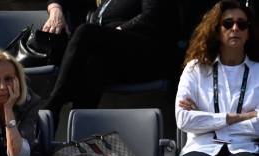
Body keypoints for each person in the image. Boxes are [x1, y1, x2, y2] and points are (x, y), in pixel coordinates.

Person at [175, 0, 259, 156]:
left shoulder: (258, 71)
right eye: (228, 23)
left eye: (242, 24)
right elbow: (184, 119)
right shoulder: (195, 69)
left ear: (249, 32)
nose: (235, 28)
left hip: (243, 147)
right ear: (217, 29)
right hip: (201, 146)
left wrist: (205, 119)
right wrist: (243, 116)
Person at [42, 0, 176, 122]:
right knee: (94, 64)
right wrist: (56, 9)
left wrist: (117, 31)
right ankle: (81, 137)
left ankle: (53, 106)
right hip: (110, 54)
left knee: (85, 32)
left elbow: (153, 16)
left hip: (146, 54)